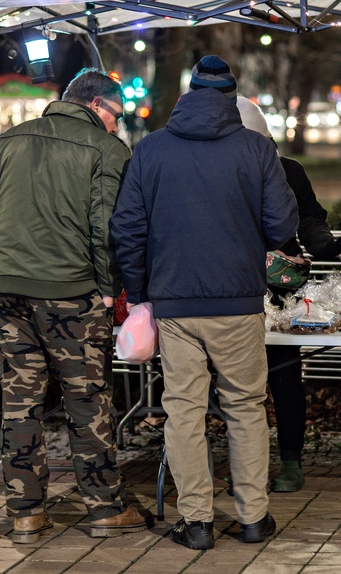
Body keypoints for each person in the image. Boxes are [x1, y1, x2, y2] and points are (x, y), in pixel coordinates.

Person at [110, 56, 299, 549]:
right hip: (238, 302)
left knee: (184, 413)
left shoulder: (150, 151)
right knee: (245, 408)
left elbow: (126, 229)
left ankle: (196, 523)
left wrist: (141, 292)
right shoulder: (257, 149)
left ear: (188, 94)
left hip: (174, 307)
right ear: (231, 96)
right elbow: (283, 227)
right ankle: (254, 517)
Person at [0, 68, 152, 544]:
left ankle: (25, 512)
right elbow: (107, 225)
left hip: (9, 294)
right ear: (96, 105)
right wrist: (108, 287)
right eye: (117, 115)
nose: (118, 125)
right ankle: (105, 509)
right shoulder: (106, 150)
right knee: (87, 401)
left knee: (20, 403)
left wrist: (3, 259)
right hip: (74, 293)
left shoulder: (10, 140)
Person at [236, 96, 341, 492]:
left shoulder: (290, 171)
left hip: (281, 293)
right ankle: (241, 463)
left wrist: (324, 245)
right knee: (235, 382)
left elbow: (310, 219)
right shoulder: (222, 171)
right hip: (234, 291)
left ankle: (290, 460)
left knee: (284, 376)